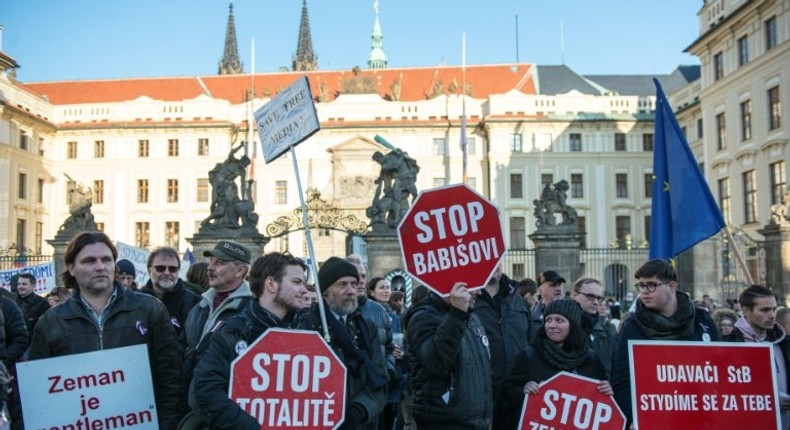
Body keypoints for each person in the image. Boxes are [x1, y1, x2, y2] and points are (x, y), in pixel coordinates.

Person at [27, 231, 182, 429]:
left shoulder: (149, 309)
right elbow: (38, 392)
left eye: (106, 260)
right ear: (72, 268)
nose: (100, 267)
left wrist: (165, 424)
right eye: (89, 261)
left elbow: (170, 377)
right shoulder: (51, 322)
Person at [189, 252, 309, 429]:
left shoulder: (305, 332)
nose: (304, 290)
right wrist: (249, 426)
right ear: (271, 284)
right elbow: (204, 391)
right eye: (297, 282)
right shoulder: (233, 331)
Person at [611, 259, 718, 427]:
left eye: (651, 285)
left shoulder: (701, 320)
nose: (644, 292)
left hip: (701, 416)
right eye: (641, 286)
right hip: (654, 418)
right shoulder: (632, 326)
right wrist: (634, 418)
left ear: (672, 286)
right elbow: (622, 380)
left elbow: (718, 370)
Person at [296, 257, 387, 430]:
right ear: (325, 292)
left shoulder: (367, 328)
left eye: (353, 284)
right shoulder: (305, 326)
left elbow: (379, 378)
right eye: (342, 284)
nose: (351, 290)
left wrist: (359, 410)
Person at [505, 300, 611, 429]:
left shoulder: (590, 358)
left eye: (559, 320)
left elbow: (600, 401)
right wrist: (523, 391)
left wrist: (607, 391)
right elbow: (507, 392)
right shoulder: (530, 355)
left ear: (573, 325)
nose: (551, 325)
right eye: (548, 320)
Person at [405, 282, 493, 430]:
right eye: (474, 286)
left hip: (476, 423)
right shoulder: (423, 317)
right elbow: (435, 363)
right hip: (443, 423)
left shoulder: (471, 317)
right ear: (455, 287)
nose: (479, 292)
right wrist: (457, 314)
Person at [182, 241, 254, 398]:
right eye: (211, 261)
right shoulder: (200, 305)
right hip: (191, 399)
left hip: (225, 401)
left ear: (240, 270)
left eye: (220, 263)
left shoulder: (251, 309)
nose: (210, 268)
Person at [722, 285, 790, 428]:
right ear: (746, 311)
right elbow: (723, 394)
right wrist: (768, 400)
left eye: (773, 309)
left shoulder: (785, 343)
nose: (772, 315)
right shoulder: (727, 345)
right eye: (764, 310)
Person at [473, 266, 531, 430]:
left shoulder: (518, 300)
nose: (494, 267)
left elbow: (531, 342)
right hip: (481, 392)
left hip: (517, 389)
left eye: (497, 261)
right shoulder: (468, 300)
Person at [368, 277, 405, 430]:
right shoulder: (367, 312)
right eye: (381, 287)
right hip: (377, 374)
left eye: (388, 287)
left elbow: (398, 340)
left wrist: (401, 351)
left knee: (389, 420)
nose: (386, 291)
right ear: (372, 291)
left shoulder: (394, 316)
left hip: (393, 374)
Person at [139, 247, 201, 336]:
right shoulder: (135, 301)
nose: (167, 273)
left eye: (172, 269)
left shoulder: (195, 303)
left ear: (178, 271)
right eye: (160, 268)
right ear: (149, 270)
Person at [571, 277, 617, 378]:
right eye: (590, 296)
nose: (596, 302)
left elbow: (614, 368)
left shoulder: (605, 331)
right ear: (574, 296)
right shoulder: (562, 327)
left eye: (599, 298)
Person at [530, 270, 566, 340]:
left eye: (559, 284)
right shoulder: (532, 316)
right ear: (539, 290)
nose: (558, 289)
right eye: (553, 285)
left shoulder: (571, 310)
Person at [14, 273, 49, 337]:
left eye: (24, 284)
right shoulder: (12, 301)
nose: (20, 286)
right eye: (18, 284)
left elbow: (44, 327)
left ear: (33, 286)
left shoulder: (42, 303)